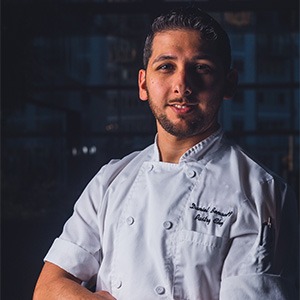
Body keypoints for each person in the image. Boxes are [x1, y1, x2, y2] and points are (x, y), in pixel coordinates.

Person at [33, 6, 299, 300]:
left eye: (202, 68)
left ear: (229, 83)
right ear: (143, 84)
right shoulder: (110, 181)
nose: (182, 85)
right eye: (166, 66)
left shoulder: (261, 194)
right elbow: (47, 289)